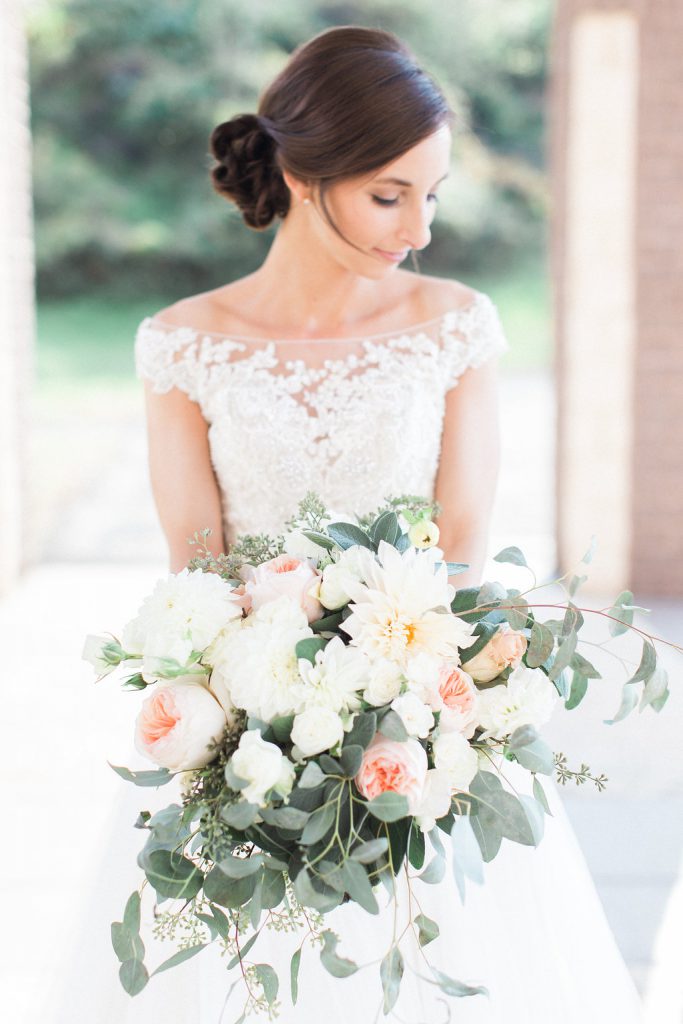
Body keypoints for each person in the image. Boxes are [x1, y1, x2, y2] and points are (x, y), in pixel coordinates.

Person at [126, 25, 642, 1024]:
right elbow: (195, 573)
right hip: (247, 746)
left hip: (416, 737)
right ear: (299, 172)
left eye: (431, 193)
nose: (417, 227)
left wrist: (401, 709)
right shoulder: (183, 346)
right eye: (387, 194)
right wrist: (255, 732)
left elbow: (458, 549)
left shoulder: (454, 326)